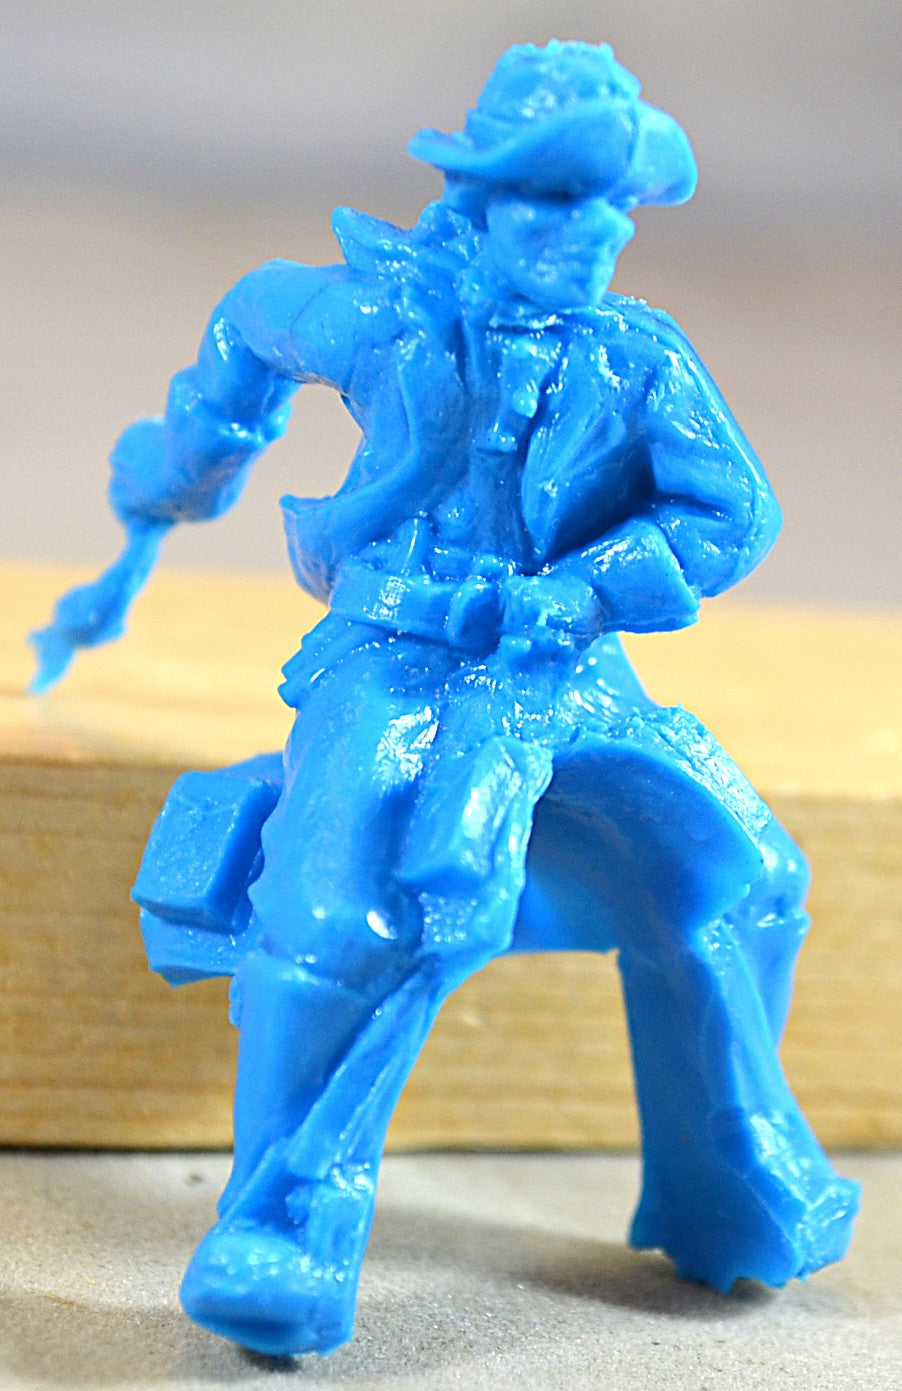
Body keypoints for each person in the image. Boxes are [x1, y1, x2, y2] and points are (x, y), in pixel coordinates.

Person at [32, 40, 859, 1358]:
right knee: (342, 914)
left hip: (564, 675)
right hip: (397, 660)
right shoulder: (387, 318)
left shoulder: (636, 357)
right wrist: (196, 452)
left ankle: (732, 1171)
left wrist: (590, 587)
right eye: (554, 201)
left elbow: (732, 515)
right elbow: (252, 315)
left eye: (609, 209)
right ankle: (282, 1222)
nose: (590, 236)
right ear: (480, 201)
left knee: (740, 874)